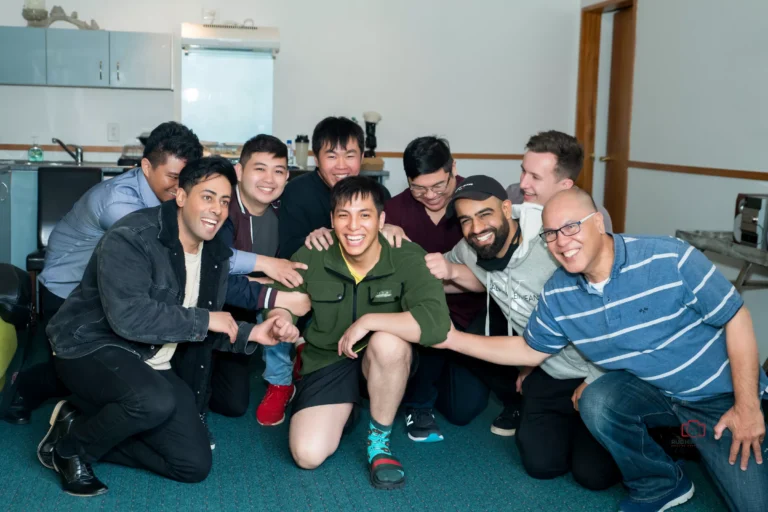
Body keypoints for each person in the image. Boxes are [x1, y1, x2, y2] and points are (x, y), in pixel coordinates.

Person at [438, 187, 768, 512]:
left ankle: (703, 438)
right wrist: (452, 338)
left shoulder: (668, 256)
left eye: (571, 227)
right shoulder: (558, 293)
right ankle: (660, 483)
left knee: (755, 504)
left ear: (598, 222)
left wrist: (747, 405)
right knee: (597, 400)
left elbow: (736, 317)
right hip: (651, 392)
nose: (562, 242)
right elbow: (528, 350)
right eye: (551, 234)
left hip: (718, 397)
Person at [39, 157, 303, 497]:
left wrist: (253, 333)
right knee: (154, 401)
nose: (217, 209)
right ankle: (72, 449)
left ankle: (82, 423)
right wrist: (208, 319)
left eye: (224, 201)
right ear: (180, 196)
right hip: (89, 345)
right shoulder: (132, 236)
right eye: (207, 197)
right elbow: (130, 317)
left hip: (152, 359)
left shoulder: (214, 254)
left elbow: (202, 328)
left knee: (192, 465)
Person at [425, 176, 619, 490]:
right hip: (548, 365)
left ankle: (661, 432)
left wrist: (594, 378)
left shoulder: (552, 245)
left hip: (600, 368)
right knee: (541, 465)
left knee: (593, 476)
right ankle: (576, 423)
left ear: (505, 208)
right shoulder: (471, 247)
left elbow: (609, 316)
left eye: (485, 214)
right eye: (466, 220)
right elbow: (437, 269)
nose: (476, 227)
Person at [268, 176, 450, 490]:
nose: (354, 226)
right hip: (329, 359)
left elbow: (436, 323)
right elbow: (281, 297)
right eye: (343, 215)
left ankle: (379, 442)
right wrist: (280, 319)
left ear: (381, 219)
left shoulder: (407, 256)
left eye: (364, 215)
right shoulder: (313, 253)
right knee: (307, 455)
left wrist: (370, 321)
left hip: (383, 358)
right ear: (331, 220)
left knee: (388, 342)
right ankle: (346, 407)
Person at [385, 137, 500, 442]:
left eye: (438, 186)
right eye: (419, 188)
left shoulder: (477, 201)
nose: (431, 196)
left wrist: (440, 282)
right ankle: (417, 400)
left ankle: (432, 373)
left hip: (475, 310)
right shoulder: (394, 210)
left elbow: (493, 278)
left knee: (462, 411)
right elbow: (392, 279)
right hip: (419, 311)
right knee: (431, 323)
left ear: (453, 169)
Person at [213, 135, 305, 425]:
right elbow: (214, 272)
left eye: (278, 171)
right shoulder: (221, 208)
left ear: (287, 176)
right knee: (232, 402)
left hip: (268, 296)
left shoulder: (286, 209)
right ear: (239, 172)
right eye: (259, 168)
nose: (269, 179)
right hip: (225, 305)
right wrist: (264, 279)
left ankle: (280, 381)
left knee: (286, 296)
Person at [277, 116, 405, 260]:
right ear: (316, 160)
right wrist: (310, 241)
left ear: (362, 157)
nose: (341, 166)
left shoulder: (378, 192)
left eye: (350, 156)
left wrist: (392, 231)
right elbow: (287, 251)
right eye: (332, 157)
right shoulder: (296, 192)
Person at [506, 130, 612, 232]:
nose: (523, 184)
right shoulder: (513, 195)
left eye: (535, 177)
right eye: (523, 171)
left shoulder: (591, 216)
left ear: (565, 185)